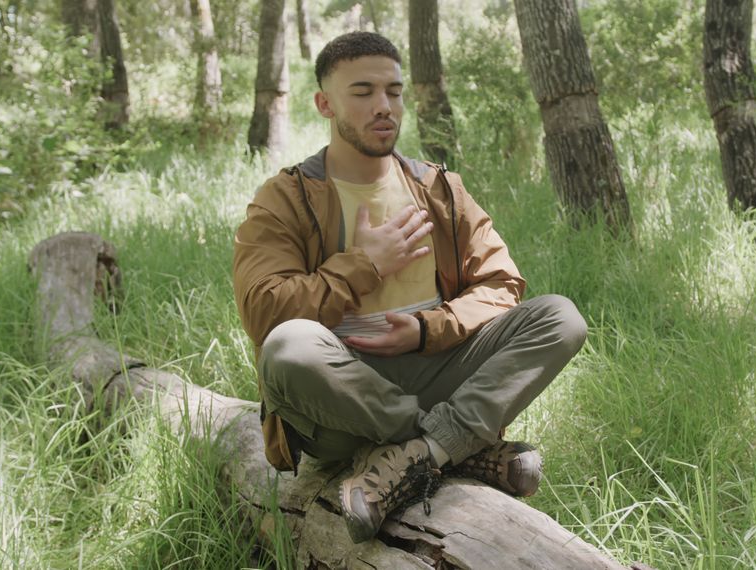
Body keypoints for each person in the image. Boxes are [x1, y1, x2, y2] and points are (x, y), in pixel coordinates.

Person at [232, 31, 587, 544]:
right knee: (287, 348)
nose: (384, 106)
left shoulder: (438, 187)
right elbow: (264, 311)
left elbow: (501, 283)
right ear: (324, 103)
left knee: (560, 317)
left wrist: (426, 330)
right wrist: (364, 265)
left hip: (438, 369)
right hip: (341, 397)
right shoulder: (286, 197)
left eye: (394, 92)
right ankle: (457, 443)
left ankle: (422, 453)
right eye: (363, 92)